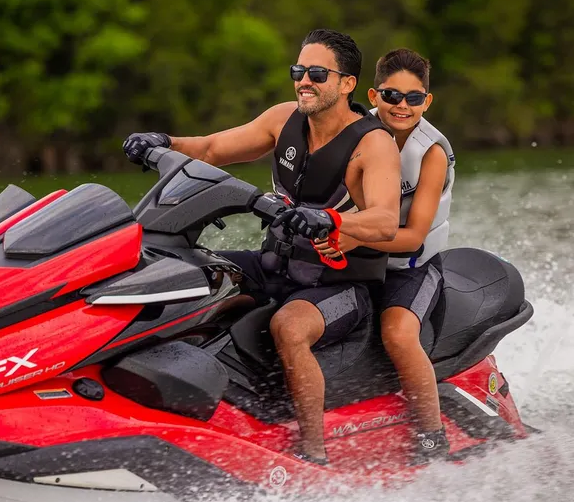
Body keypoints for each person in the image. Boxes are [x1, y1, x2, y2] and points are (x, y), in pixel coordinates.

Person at [122, 29, 401, 465]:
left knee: (289, 328)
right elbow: (212, 148)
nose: (303, 81)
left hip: (340, 283)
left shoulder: (373, 143)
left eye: (316, 73)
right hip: (275, 265)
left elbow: (385, 220)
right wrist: (163, 143)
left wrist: (328, 217)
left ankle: (312, 455)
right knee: (177, 276)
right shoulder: (283, 119)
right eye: (298, 71)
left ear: (346, 84)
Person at [315, 48, 455, 463]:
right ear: (374, 96)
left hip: (411, 266)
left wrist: (354, 240)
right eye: (392, 96)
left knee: (396, 333)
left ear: (426, 102)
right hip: (358, 256)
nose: (402, 106)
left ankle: (432, 437)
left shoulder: (430, 153)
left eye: (414, 98)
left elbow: (412, 237)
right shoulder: (356, 133)